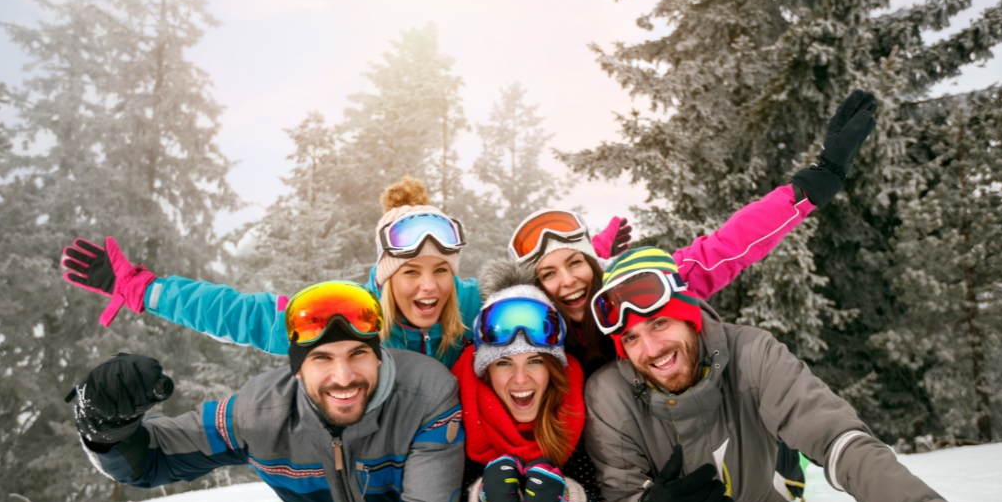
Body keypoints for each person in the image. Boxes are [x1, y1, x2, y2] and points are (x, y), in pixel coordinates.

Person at [582, 248, 1002, 502]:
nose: (649, 349)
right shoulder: (609, 391)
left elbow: (840, 438)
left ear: (690, 316)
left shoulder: (752, 352)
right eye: (630, 339)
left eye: (660, 324)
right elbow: (622, 498)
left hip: (775, 493)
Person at [67, 281, 466, 502]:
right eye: (321, 359)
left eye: (358, 354)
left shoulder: (428, 396)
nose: (343, 377)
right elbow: (152, 459)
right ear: (296, 368)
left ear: (378, 354)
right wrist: (106, 428)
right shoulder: (259, 414)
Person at [60, 178, 625, 369]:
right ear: (384, 277)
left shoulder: (475, 305)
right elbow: (238, 313)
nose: (428, 287)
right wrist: (141, 288)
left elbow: (542, 290)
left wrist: (590, 257)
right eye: (410, 273)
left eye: (440, 272)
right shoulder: (346, 311)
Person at [512, 90, 880, 380]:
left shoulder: (645, 291)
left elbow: (728, 246)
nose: (568, 281)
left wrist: (809, 188)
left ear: (594, 262)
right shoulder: (524, 326)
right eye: (548, 273)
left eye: (576, 262)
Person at [450, 260, 612, 502]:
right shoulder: (461, 411)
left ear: (554, 368)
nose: (521, 379)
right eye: (503, 363)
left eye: (535, 361)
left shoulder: (575, 408)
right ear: (485, 371)